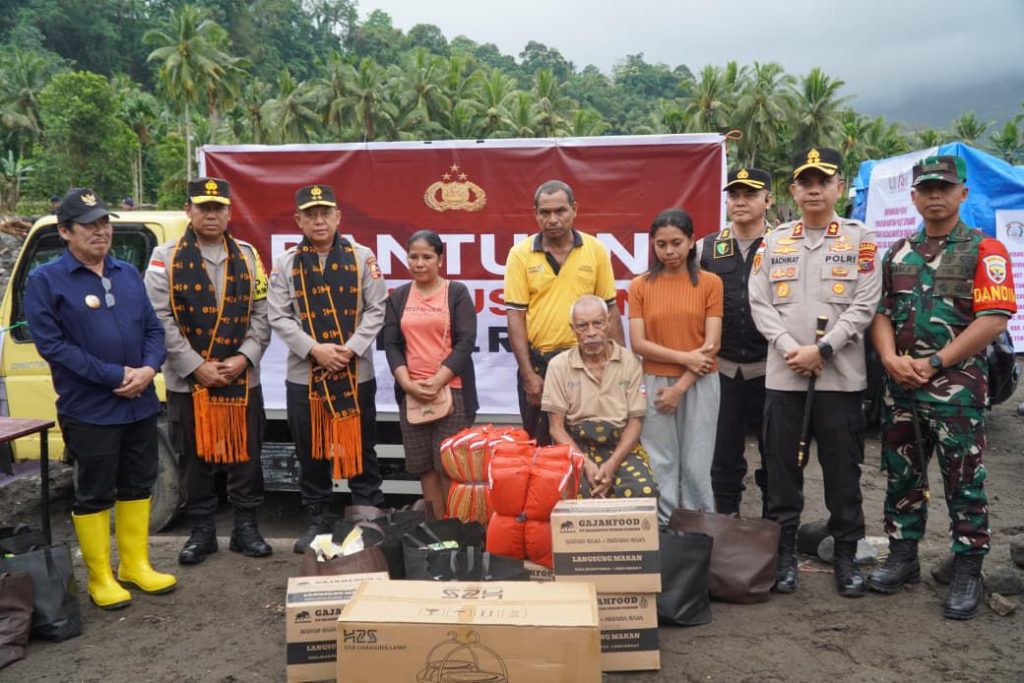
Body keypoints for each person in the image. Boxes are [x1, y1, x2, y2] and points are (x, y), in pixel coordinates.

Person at [866, 156, 1017, 620]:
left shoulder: (985, 250)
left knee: (964, 479)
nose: (935, 195)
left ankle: (968, 566)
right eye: (926, 187)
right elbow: (882, 314)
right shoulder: (898, 252)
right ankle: (903, 555)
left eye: (945, 187)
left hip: (957, 387)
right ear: (913, 196)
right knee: (902, 472)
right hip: (903, 386)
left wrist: (935, 362)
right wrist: (891, 359)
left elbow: (992, 320)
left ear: (962, 194)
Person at [23, 188, 176, 609]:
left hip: (140, 402)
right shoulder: (45, 280)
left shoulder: (127, 273)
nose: (101, 232)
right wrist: (114, 375)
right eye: (89, 225)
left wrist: (147, 369)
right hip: (90, 408)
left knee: (138, 483)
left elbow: (153, 329)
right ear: (65, 231)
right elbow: (54, 347)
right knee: (94, 492)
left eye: (104, 223)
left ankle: (135, 565)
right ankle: (100, 576)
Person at [749, 147, 881, 598]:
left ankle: (847, 554)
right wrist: (792, 349)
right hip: (785, 376)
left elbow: (865, 305)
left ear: (838, 188)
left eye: (822, 181)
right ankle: (783, 554)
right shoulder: (774, 241)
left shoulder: (861, 240)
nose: (814, 189)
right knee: (782, 470)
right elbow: (760, 304)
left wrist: (822, 348)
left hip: (840, 378)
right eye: (805, 182)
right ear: (793, 190)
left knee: (843, 471)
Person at [144, 177, 273, 565]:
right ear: (189, 211)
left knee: (247, 455)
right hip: (189, 383)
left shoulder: (248, 257)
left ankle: (245, 528)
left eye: (219, 207)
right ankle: (202, 532)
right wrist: (195, 366)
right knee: (193, 457)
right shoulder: (165, 259)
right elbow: (158, 319)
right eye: (203, 207)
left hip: (241, 378)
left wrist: (245, 357)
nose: (211, 214)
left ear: (230, 212)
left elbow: (262, 315)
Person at [268, 184, 387, 553]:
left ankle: (366, 519)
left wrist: (349, 350)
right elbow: (279, 315)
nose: (318, 221)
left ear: (338, 217)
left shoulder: (362, 257)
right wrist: (315, 350)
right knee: (310, 451)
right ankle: (317, 521)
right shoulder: (286, 263)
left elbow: (376, 309)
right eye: (310, 214)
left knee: (362, 448)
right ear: (298, 220)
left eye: (325, 213)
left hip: (354, 373)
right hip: (305, 375)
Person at [504, 180, 623, 445]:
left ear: (574, 209)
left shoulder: (595, 250)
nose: (553, 219)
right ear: (535, 213)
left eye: (560, 211)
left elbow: (610, 310)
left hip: (590, 364)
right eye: (545, 213)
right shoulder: (520, 254)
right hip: (540, 366)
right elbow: (515, 317)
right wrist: (528, 375)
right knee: (541, 449)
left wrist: (619, 366)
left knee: (591, 445)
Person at [629, 209, 722, 523]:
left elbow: (711, 345)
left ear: (692, 241)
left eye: (677, 243)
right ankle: (664, 531)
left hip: (700, 383)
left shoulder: (711, 283)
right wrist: (685, 358)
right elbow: (639, 344)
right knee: (659, 462)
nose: (669, 251)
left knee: (697, 464)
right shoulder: (639, 286)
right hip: (655, 384)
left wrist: (680, 387)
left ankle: (701, 532)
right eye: (661, 244)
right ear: (652, 245)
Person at [382, 230, 478, 518]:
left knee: (449, 466)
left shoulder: (456, 292)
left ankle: (457, 529)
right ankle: (437, 531)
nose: (419, 263)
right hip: (412, 395)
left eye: (427, 257)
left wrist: (437, 381)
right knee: (424, 466)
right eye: (413, 256)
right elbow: (391, 344)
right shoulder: (398, 297)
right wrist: (407, 383)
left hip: (453, 392)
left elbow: (466, 341)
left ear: (440, 259)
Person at [697, 168, 773, 515]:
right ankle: (726, 526)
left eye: (750, 195)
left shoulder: (782, 244)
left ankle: (775, 534)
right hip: (722, 370)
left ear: (768, 200)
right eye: (734, 195)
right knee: (722, 456)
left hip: (772, 369)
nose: (740, 202)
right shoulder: (707, 248)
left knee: (776, 456)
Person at [542, 295, 657, 500]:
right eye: (582, 326)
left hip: (621, 446)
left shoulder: (629, 362)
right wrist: (585, 463)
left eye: (598, 323)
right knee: (574, 493)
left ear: (609, 323)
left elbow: (635, 422)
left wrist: (611, 465)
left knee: (643, 491)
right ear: (572, 329)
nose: (591, 333)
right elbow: (556, 428)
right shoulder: (558, 366)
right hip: (578, 447)